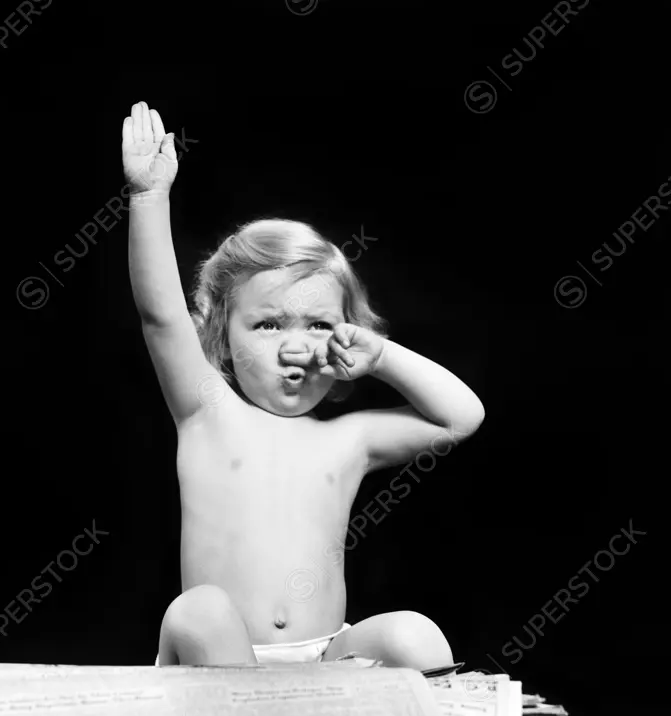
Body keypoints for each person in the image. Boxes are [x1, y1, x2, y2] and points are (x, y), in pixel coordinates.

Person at [123, 101, 485, 670]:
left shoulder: (350, 439)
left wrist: (382, 355)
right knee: (199, 611)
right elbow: (162, 316)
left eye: (318, 325)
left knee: (413, 635)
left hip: (321, 660)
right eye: (268, 324)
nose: (294, 345)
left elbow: (460, 418)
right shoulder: (209, 410)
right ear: (220, 337)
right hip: (221, 662)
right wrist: (148, 197)